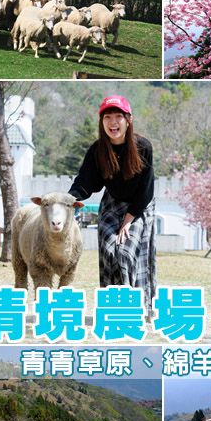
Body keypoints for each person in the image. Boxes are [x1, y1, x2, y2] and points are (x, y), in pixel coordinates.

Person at [68, 95, 157, 316]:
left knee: (126, 253)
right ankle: (112, 306)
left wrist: (128, 221)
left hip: (139, 206)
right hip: (111, 203)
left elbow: (146, 190)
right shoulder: (98, 150)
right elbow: (85, 183)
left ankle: (136, 307)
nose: (113, 122)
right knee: (109, 251)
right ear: (102, 122)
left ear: (129, 120)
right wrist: (66, 202)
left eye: (119, 116)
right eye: (108, 117)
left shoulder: (143, 147)